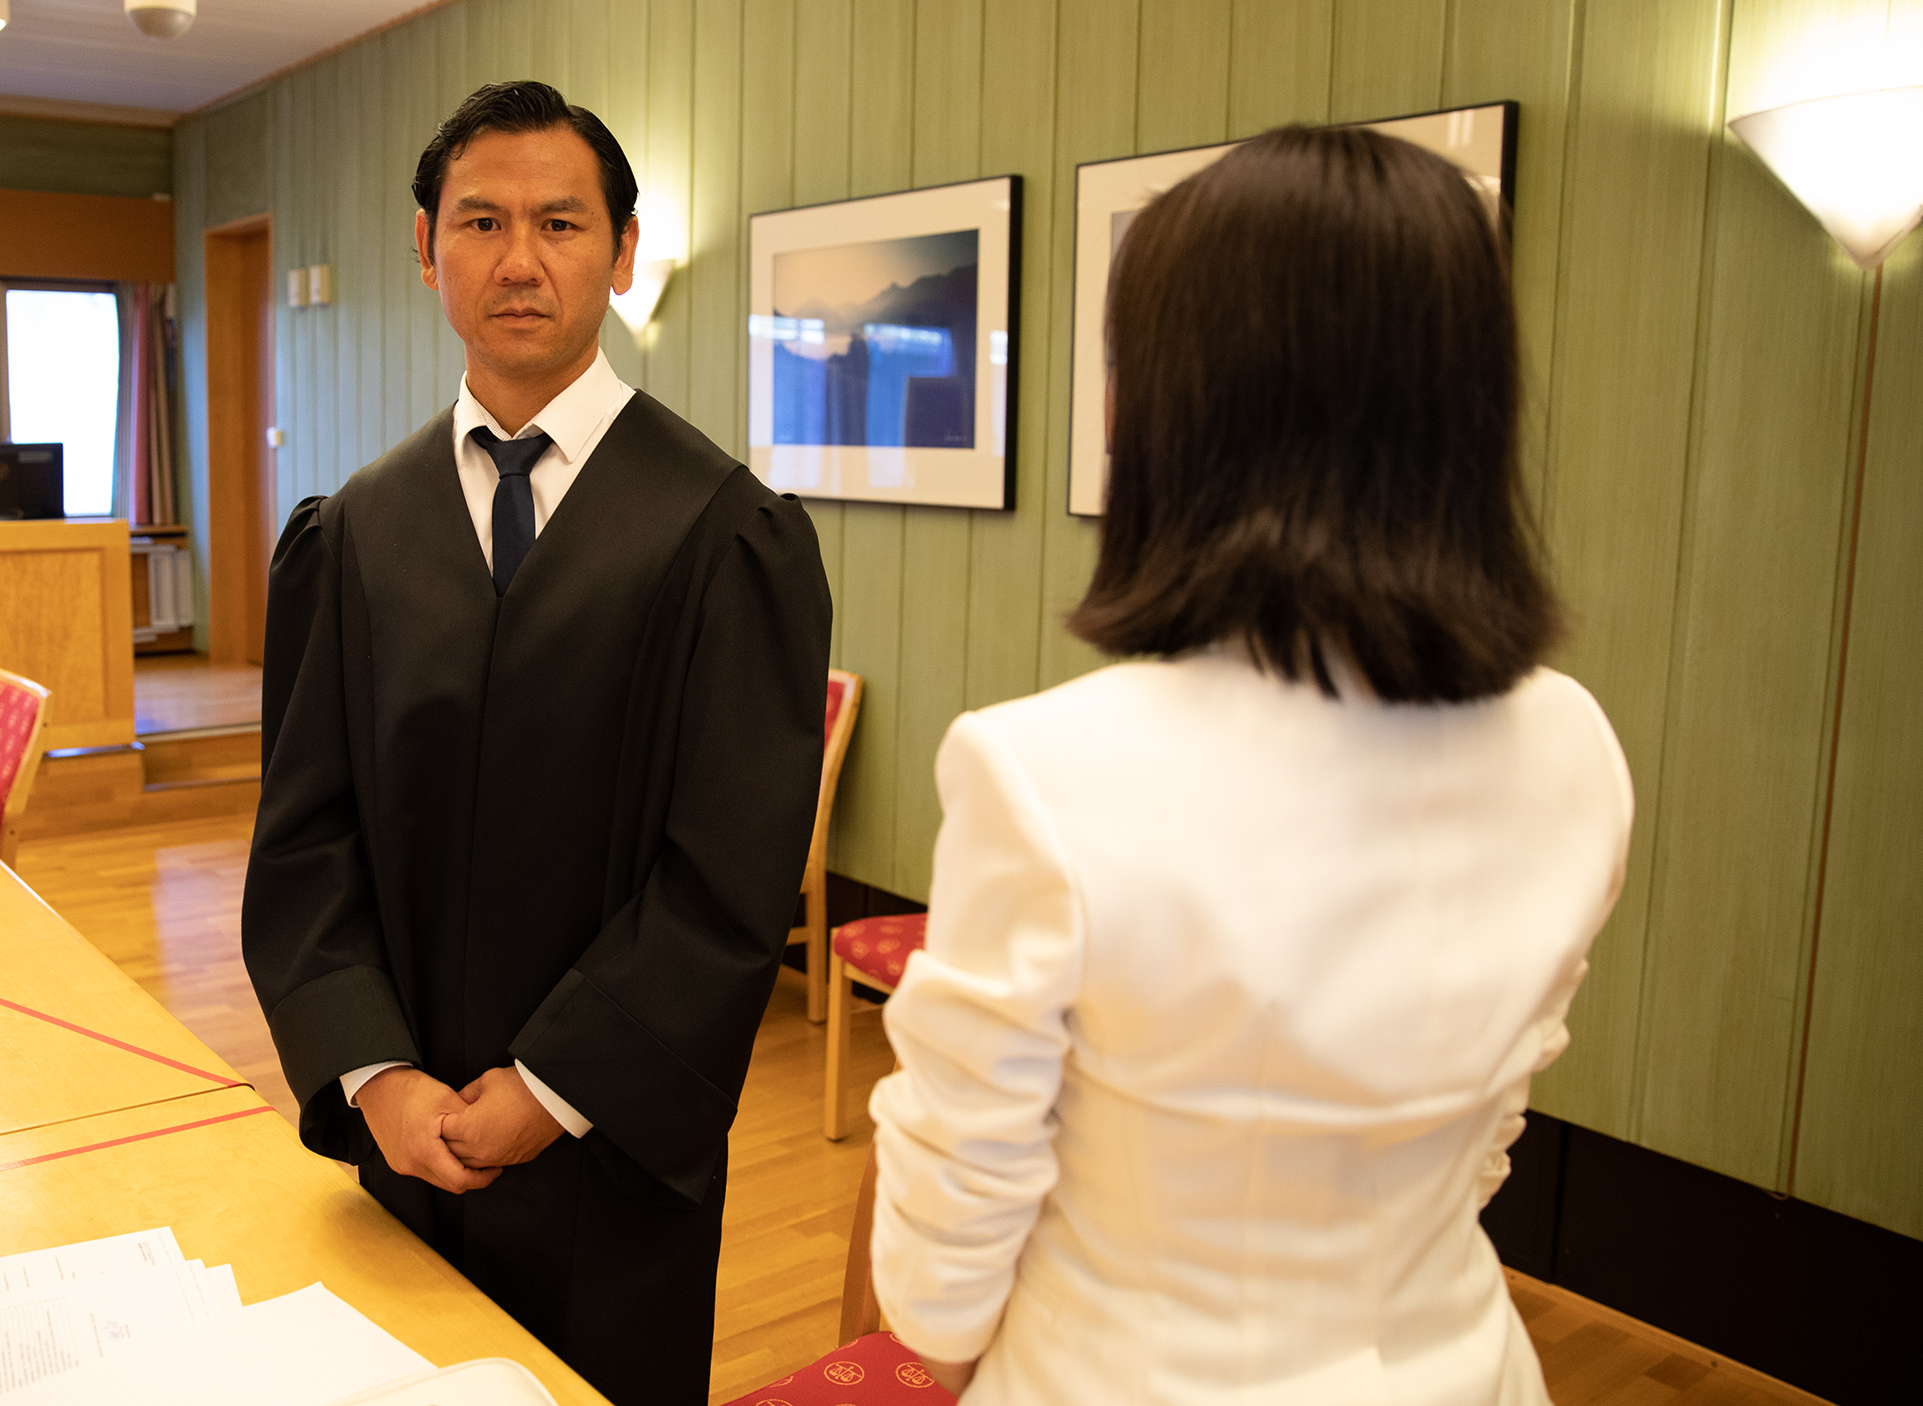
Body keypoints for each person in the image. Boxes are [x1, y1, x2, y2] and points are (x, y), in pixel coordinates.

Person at [867, 125, 1634, 1402]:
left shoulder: (1046, 769)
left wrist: (949, 1351)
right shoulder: (1574, 742)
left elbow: (953, 1223)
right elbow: (1488, 1127)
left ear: (1185, 407)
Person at [240, 80, 832, 1406]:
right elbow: (305, 837)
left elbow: (730, 871)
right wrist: (375, 1073)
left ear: (621, 254)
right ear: (426, 248)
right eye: (481, 221)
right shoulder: (355, 533)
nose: (519, 260)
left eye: (560, 224)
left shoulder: (726, 535)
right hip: (400, 1139)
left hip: (607, 1146)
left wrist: (553, 1084)